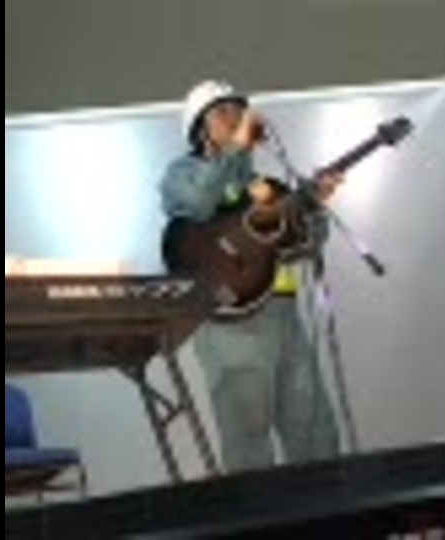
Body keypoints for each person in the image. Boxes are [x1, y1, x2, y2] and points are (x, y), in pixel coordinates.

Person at [159, 80, 342, 472]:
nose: (235, 117)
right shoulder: (181, 175)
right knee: (248, 434)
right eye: (222, 111)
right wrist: (234, 150)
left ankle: (329, 501)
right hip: (230, 323)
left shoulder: (265, 187)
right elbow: (200, 203)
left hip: (284, 317)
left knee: (312, 426)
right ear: (199, 128)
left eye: (239, 110)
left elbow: (304, 244)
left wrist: (313, 206)